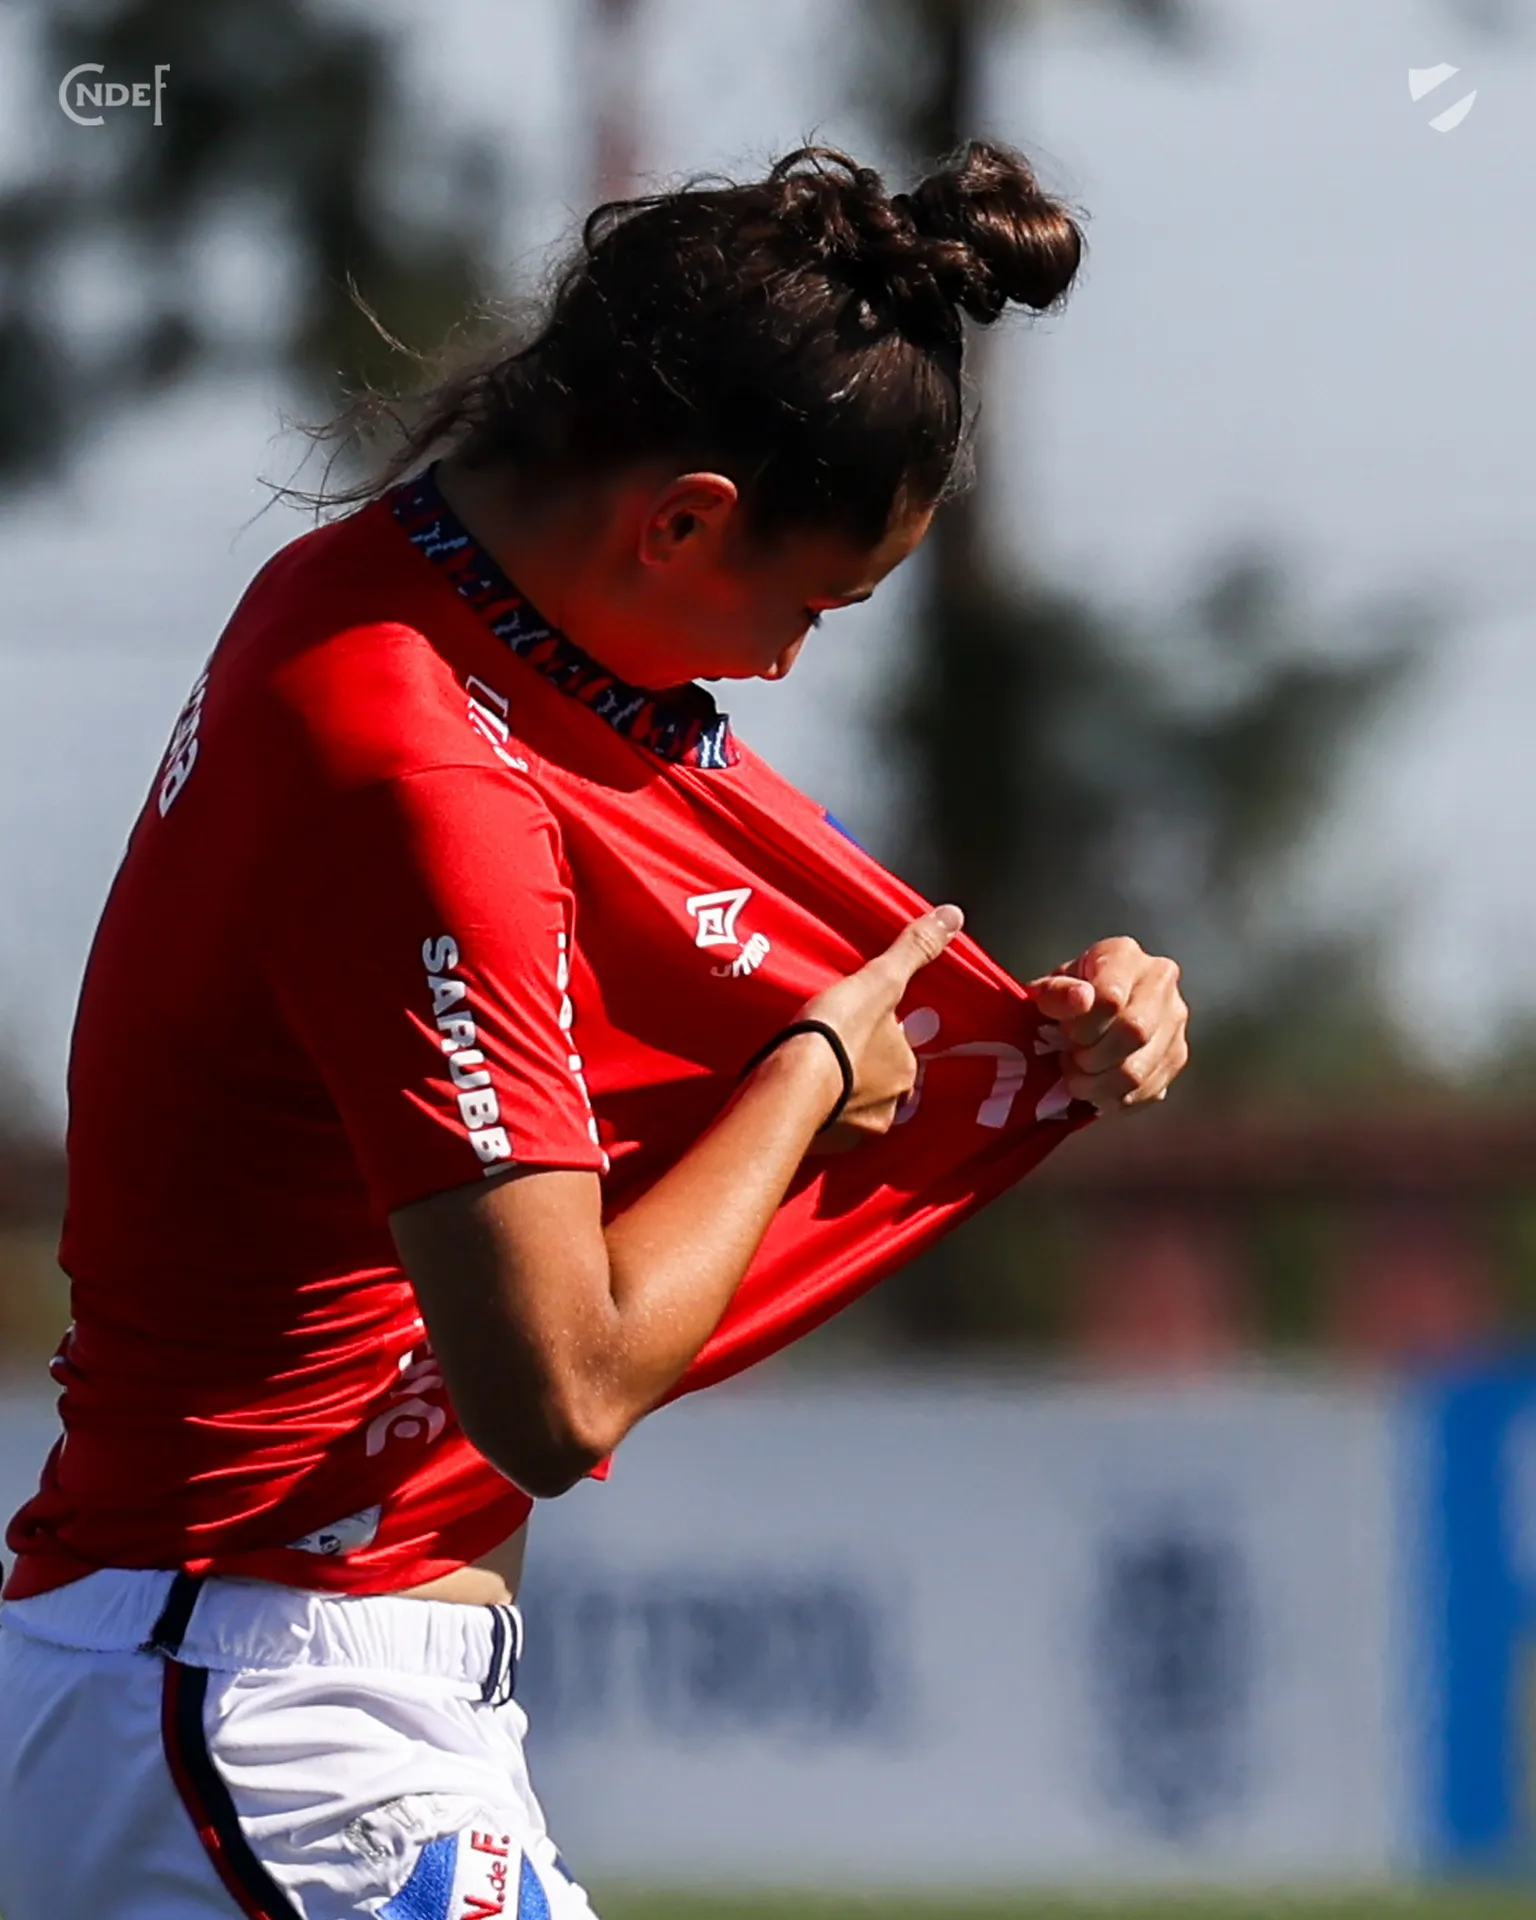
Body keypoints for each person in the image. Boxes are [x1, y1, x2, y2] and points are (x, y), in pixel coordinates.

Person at [0, 143, 1189, 1919]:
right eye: (811, 606)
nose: (780, 671)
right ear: (684, 518)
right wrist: (809, 1072)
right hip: (271, 1714)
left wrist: (1036, 1033)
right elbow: (559, 1391)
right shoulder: (423, 769)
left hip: (224, 1688)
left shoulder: (366, 596)